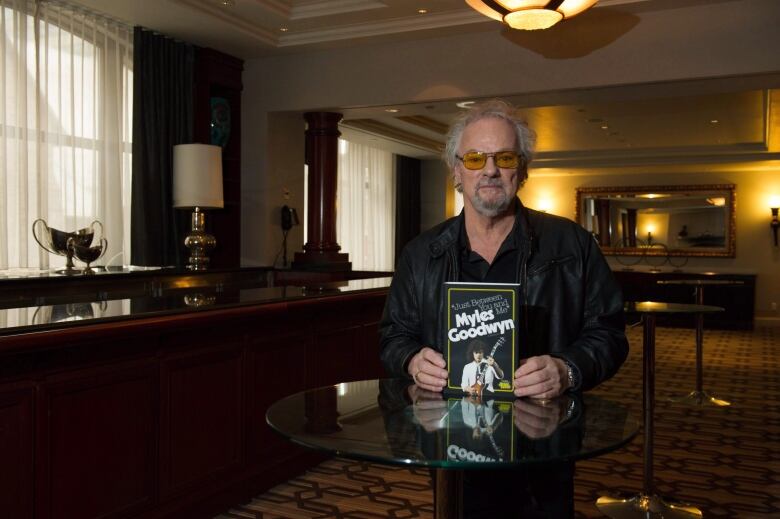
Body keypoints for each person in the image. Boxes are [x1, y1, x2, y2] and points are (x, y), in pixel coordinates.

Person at [378, 99, 628, 517]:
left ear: (522, 169)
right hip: (451, 447)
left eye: (504, 157)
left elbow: (610, 334)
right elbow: (392, 336)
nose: (489, 170)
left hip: (544, 448)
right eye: (475, 158)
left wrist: (566, 369)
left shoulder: (572, 245)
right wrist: (411, 360)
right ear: (456, 172)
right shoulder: (421, 254)